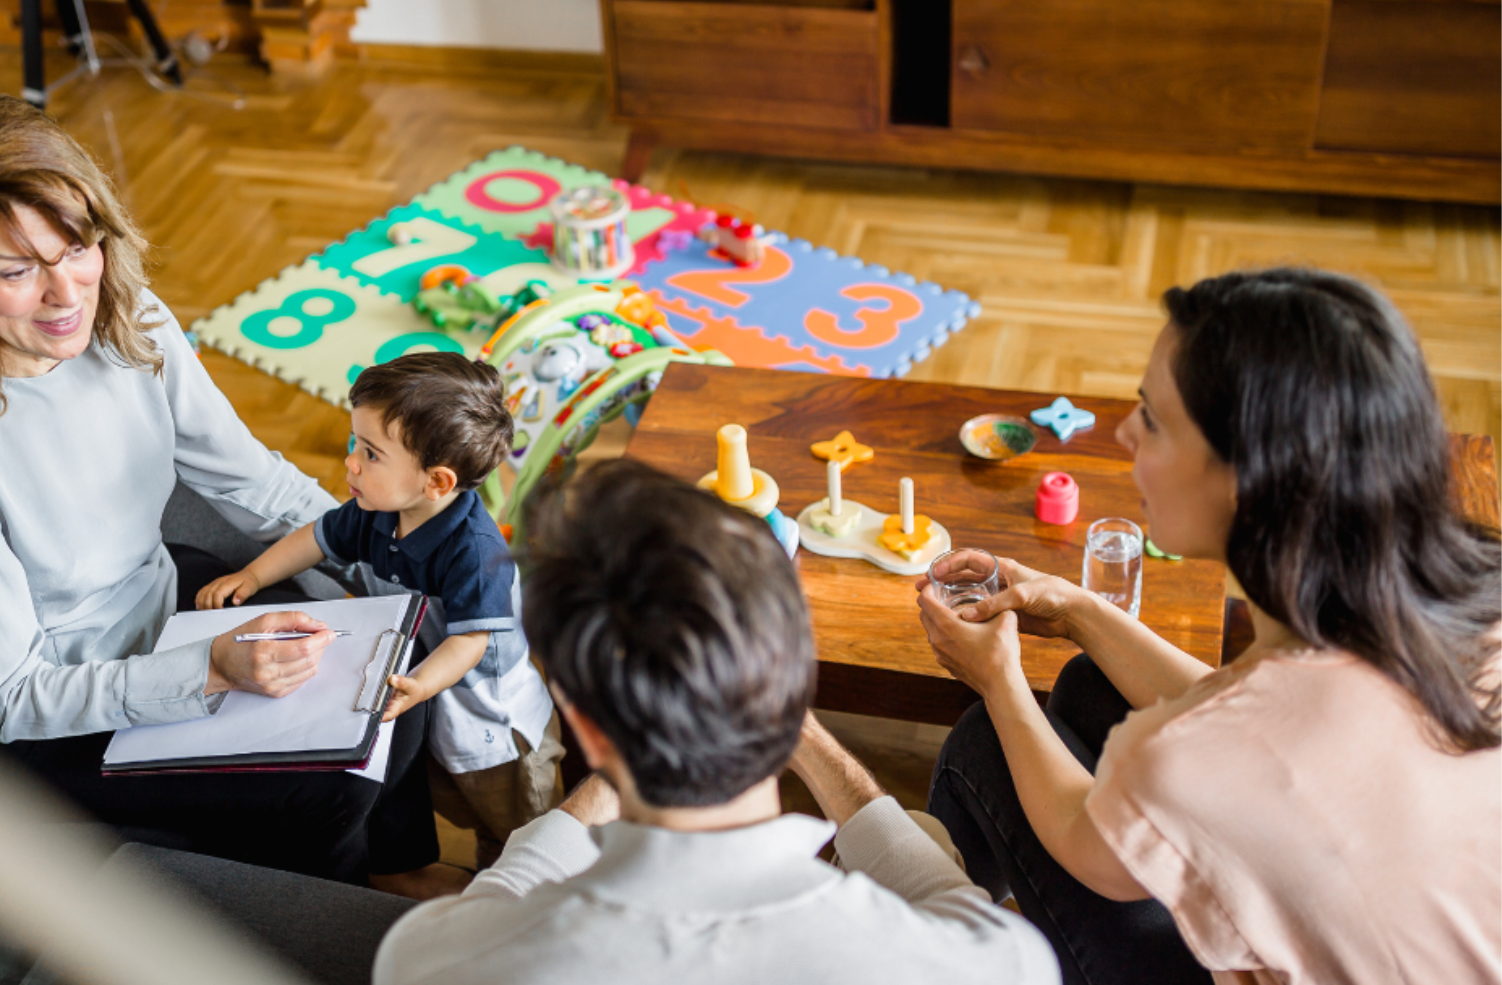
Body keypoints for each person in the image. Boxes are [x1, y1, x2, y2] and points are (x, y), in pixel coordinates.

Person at [0, 94, 441, 889]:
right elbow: (4, 698)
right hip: (33, 727)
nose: (66, 295)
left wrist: (396, 547)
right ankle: (344, 924)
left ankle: (408, 876)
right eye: (15, 271)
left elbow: (252, 480)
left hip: (154, 604)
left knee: (402, 653)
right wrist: (209, 671)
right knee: (327, 788)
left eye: (76, 249)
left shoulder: (128, 322)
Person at [917, 268, 1501, 985]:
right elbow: (1248, 717)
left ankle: (921, 936)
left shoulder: (1217, 753)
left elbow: (1087, 841)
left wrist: (998, 681)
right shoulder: (1459, 599)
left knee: (987, 741)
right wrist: (1076, 609)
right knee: (1091, 682)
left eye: (1154, 420)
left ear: (1249, 479)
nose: (1126, 431)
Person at [374, 458, 1060, 985]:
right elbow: (952, 899)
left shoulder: (434, 960)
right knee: (930, 835)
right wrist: (804, 732)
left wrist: (620, 754)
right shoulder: (989, 964)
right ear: (791, 679)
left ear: (585, 725)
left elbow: (498, 894)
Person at [201, 352, 562, 876]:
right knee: (454, 800)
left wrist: (420, 684)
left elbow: (471, 643)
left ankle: (517, 886)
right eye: (355, 443)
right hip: (428, 697)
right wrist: (253, 575)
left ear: (436, 482)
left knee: (518, 827)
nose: (350, 462)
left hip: (491, 719)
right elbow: (316, 537)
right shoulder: (377, 511)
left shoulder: (475, 553)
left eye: (370, 454)